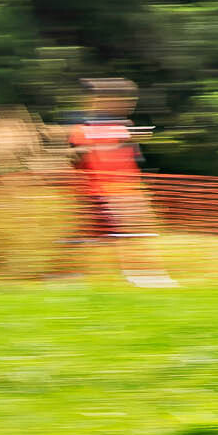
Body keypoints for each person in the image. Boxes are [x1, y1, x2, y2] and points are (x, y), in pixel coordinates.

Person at [69, 78, 170, 286]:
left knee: (122, 236)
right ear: (102, 100)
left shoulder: (119, 128)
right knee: (119, 236)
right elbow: (78, 158)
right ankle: (145, 276)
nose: (128, 104)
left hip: (121, 191)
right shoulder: (86, 129)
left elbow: (128, 159)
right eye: (123, 100)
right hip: (107, 193)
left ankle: (145, 275)